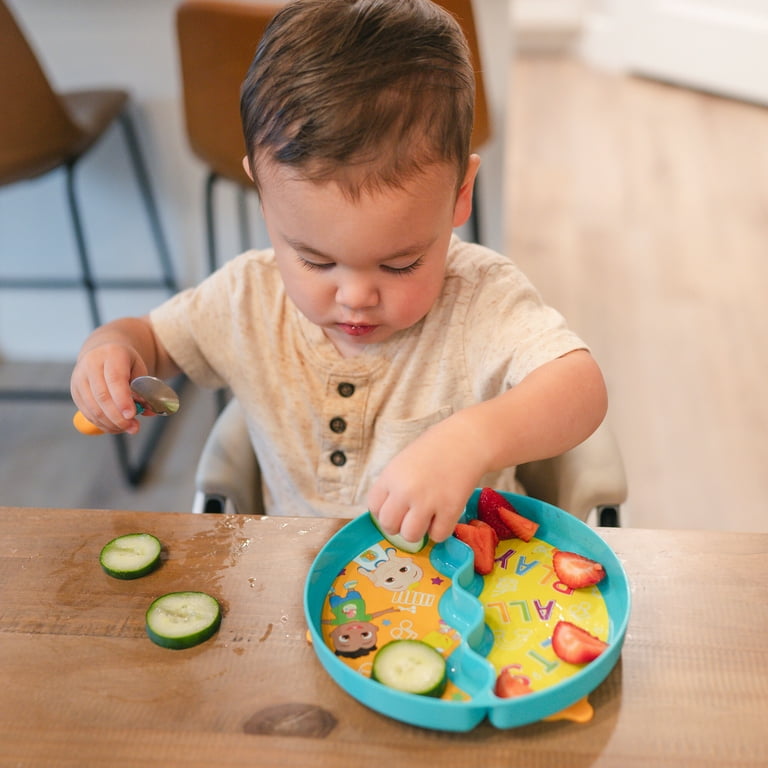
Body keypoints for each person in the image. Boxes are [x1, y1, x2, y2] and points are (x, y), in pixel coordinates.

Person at [70, 0, 607, 544]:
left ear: (459, 196)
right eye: (315, 261)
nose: (354, 296)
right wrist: (110, 351)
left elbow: (581, 390)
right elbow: (151, 341)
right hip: (298, 580)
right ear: (262, 192)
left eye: (401, 263)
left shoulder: (480, 299)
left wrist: (471, 440)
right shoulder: (246, 298)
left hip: (459, 585)